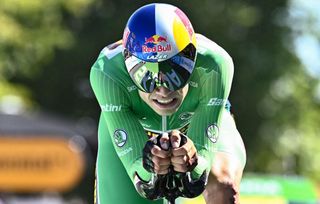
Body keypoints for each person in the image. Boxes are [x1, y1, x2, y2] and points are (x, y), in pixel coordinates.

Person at [90, 3, 246, 204]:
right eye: (147, 76)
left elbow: (198, 175)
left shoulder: (215, 65)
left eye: (175, 73)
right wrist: (148, 166)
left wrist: (194, 163)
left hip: (198, 113)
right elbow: (140, 175)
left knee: (224, 186)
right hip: (135, 124)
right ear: (128, 66)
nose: (163, 90)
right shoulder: (107, 73)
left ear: (193, 58)